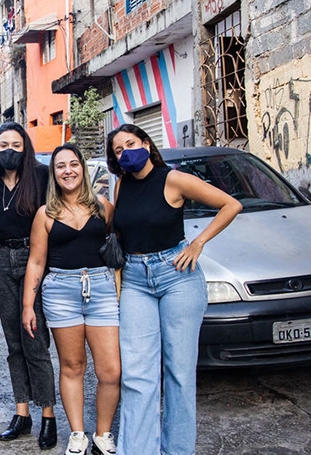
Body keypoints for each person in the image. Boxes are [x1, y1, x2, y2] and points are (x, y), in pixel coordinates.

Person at [107, 124, 241, 455]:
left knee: (178, 375)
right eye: (119, 150)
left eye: (131, 144)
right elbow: (122, 238)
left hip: (177, 277)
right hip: (136, 279)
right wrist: (120, 286)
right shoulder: (122, 185)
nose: (126, 152)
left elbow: (230, 205)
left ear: (146, 143)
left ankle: (177, 451)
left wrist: (197, 243)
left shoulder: (174, 179)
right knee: (137, 376)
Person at [21, 144, 120, 455]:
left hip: (101, 288)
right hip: (60, 290)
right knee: (73, 365)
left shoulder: (103, 207)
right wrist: (27, 305)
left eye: (73, 164)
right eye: (60, 166)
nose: (68, 170)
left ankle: (103, 434)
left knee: (110, 370)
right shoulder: (45, 214)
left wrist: (118, 291)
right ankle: (78, 433)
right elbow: (36, 261)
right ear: (54, 173)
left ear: (83, 169)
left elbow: (117, 254)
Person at [0, 121, 58, 449]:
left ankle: (48, 415)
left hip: (34, 260)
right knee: (13, 342)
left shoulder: (42, 177)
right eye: (4, 146)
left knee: (35, 339)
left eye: (16, 145)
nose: (10, 151)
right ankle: (22, 413)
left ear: (25, 147)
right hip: (1, 260)